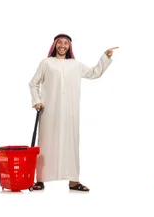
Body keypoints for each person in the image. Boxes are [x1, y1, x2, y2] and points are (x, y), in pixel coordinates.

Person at [28, 33, 118, 191]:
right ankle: (40, 179)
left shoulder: (75, 65)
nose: (62, 46)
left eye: (66, 43)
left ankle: (73, 180)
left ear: (69, 46)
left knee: (70, 144)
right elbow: (33, 83)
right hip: (49, 111)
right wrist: (37, 101)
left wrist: (105, 57)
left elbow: (94, 73)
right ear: (55, 45)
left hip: (70, 112)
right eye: (60, 43)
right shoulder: (46, 63)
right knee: (47, 144)